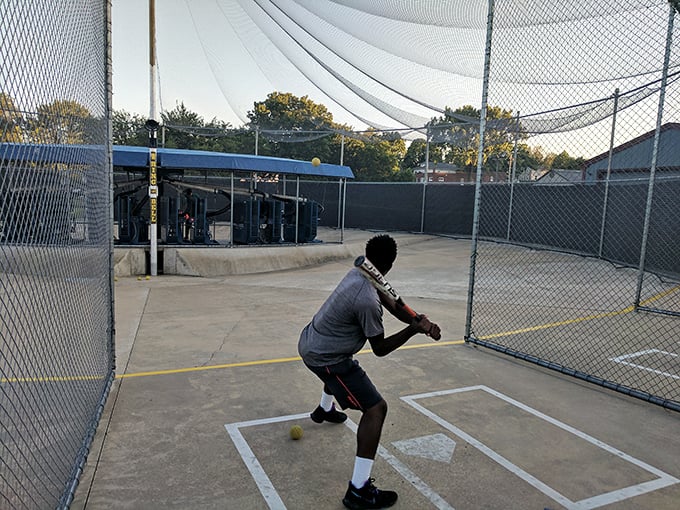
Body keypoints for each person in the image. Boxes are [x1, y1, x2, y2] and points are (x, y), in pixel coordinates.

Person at [298, 234, 441, 509]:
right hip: (327, 357)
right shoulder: (366, 300)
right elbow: (380, 348)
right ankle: (358, 490)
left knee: (344, 361)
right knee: (376, 409)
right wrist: (414, 329)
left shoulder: (362, 274)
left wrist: (418, 320)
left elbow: (394, 303)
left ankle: (324, 409)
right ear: (391, 263)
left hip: (313, 341)